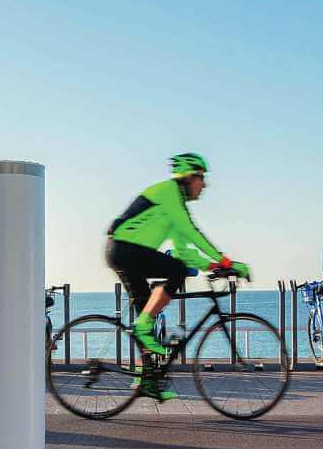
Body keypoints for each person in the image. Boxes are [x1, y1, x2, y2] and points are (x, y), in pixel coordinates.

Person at [106, 152, 252, 400]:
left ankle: (147, 381)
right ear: (188, 177)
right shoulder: (169, 192)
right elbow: (192, 232)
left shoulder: (174, 208)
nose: (204, 185)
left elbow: (186, 253)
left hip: (127, 254)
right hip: (124, 249)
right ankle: (143, 328)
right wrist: (226, 261)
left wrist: (216, 266)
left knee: (149, 320)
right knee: (174, 273)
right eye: (201, 178)